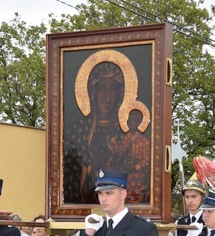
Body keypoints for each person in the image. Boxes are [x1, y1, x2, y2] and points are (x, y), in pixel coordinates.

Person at [63, 62, 151, 204]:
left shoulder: (125, 131)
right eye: (102, 89)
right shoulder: (77, 129)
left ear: (121, 93)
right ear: (92, 92)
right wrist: (89, 169)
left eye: (113, 89)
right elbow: (68, 170)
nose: (108, 98)